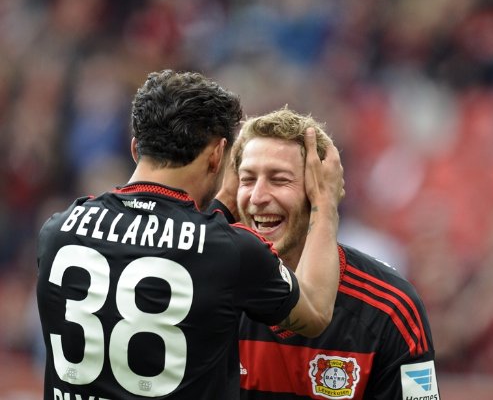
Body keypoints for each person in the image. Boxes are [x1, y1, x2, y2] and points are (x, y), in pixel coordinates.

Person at [36, 70, 344, 399]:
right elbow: (315, 311)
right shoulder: (229, 250)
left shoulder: (58, 230)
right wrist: (324, 203)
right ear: (216, 155)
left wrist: (223, 203)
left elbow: (153, 244)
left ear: (135, 147)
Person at [217, 107, 440, 399]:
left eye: (279, 179)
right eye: (247, 179)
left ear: (320, 190)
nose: (257, 197)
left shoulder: (390, 308)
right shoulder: (207, 289)